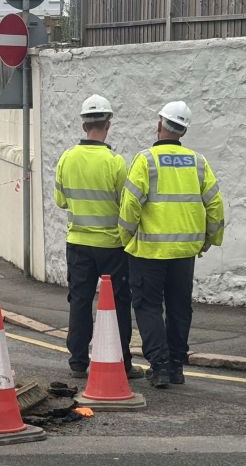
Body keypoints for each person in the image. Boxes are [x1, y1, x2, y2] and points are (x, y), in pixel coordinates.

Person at [118, 101, 224, 388]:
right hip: (184, 252)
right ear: (183, 131)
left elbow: (130, 206)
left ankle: (160, 366)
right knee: (179, 307)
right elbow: (215, 204)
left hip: (148, 252)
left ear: (159, 125)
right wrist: (209, 240)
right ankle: (176, 366)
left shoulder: (146, 160)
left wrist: (126, 238)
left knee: (148, 306)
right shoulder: (198, 162)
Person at [54, 95, 143, 380]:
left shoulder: (66, 158)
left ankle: (78, 361)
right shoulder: (116, 163)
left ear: (84, 125)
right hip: (111, 246)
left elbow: (60, 201)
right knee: (117, 302)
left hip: (78, 243)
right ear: (108, 125)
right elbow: (125, 203)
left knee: (79, 301)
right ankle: (122, 361)